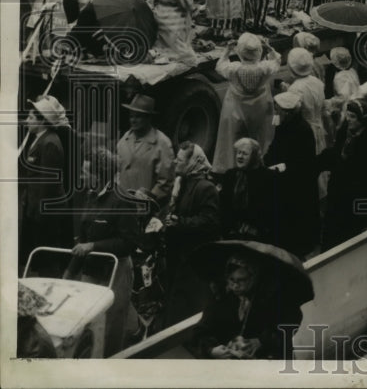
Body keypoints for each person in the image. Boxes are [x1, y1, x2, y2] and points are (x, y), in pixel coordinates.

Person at [69, 147, 146, 356]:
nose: (81, 176)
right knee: (85, 321)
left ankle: (111, 363)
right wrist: (68, 274)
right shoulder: (90, 195)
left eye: (85, 172)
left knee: (111, 325)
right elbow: (83, 239)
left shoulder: (122, 200)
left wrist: (94, 246)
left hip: (116, 270)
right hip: (91, 268)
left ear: (99, 176)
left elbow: (129, 242)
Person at [190, 254, 303, 360]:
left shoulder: (272, 295)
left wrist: (261, 341)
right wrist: (212, 350)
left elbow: (291, 322)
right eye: (231, 280)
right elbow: (201, 331)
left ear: (253, 277)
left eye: (241, 280)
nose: (235, 285)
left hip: (272, 360)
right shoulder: (221, 298)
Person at [160, 143, 221, 327]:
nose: (174, 162)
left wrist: (181, 223)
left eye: (179, 160)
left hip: (192, 259)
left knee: (187, 306)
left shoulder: (206, 188)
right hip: (177, 255)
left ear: (192, 163)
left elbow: (211, 221)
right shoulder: (182, 183)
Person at [316, 98, 367, 249]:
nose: (348, 119)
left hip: (355, 197)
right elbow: (336, 151)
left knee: (349, 237)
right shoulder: (345, 130)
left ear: (362, 119)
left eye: (353, 116)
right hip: (338, 192)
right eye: (348, 115)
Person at [18, 96, 73, 268]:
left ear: (42, 120)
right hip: (36, 207)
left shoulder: (49, 143)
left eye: (31, 117)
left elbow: (48, 184)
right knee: (38, 253)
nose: (27, 121)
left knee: (46, 256)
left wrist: (39, 213)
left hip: (46, 212)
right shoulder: (40, 139)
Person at [213, 33, 281, 173]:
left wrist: (227, 50)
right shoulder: (264, 68)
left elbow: (220, 66)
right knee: (259, 138)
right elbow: (277, 60)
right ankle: (258, 167)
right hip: (259, 109)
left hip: (236, 109)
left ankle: (231, 168)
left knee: (234, 139)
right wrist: (269, 47)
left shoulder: (234, 69)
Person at [264, 92, 319, 258]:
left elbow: (300, 162)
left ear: (288, 112)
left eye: (278, 110)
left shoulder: (302, 130)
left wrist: (279, 167)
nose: (276, 113)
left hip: (297, 183)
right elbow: (275, 146)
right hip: (284, 178)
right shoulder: (285, 125)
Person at [116, 94, 175, 207]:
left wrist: (148, 200)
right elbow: (118, 170)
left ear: (148, 118)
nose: (133, 120)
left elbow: (165, 182)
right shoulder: (124, 139)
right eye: (131, 116)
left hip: (145, 207)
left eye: (138, 116)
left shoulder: (162, 143)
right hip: (123, 205)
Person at [218, 138, 277, 242]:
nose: (240, 156)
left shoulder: (267, 177)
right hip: (231, 232)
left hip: (258, 235)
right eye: (238, 153)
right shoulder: (230, 175)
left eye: (244, 154)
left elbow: (269, 211)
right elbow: (224, 207)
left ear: (254, 157)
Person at [282, 47, 330, 152]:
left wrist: (286, 93)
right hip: (319, 125)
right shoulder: (317, 82)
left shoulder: (295, 89)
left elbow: (293, 113)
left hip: (304, 131)